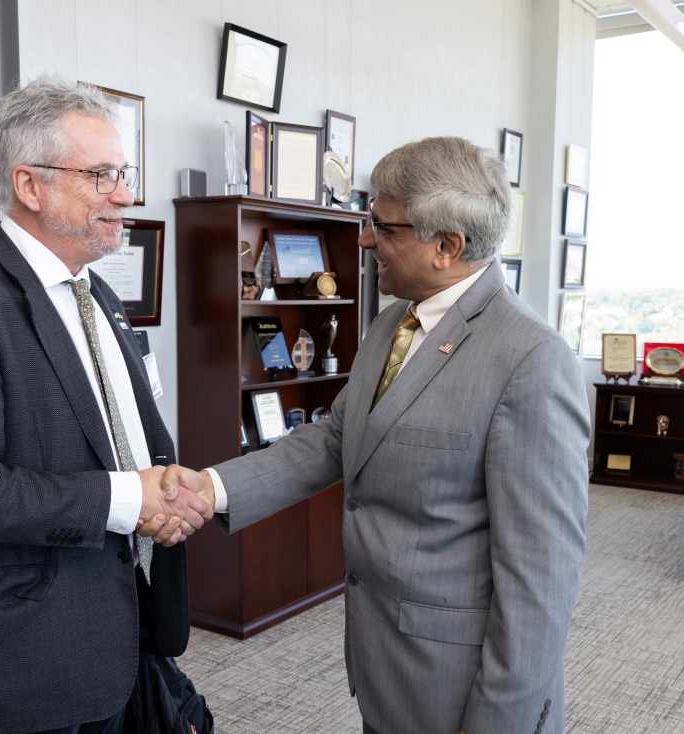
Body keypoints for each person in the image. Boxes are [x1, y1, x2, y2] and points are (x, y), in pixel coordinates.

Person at [164, 137, 591, 734]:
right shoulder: (393, 322)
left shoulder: (532, 362)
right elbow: (337, 439)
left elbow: (540, 584)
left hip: (463, 693)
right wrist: (209, 488)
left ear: (447, 246)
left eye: (383, 228)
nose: (364, 240)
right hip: (387, 668)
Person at [0, 77, 212, 734]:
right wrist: (130, 501)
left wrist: (165, 496)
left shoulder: (102, 299)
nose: (125, 194)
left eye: (123, 174)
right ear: (31, 186)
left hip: (128, 627)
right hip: (29, 654)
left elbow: (128, 443)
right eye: (101, 176)